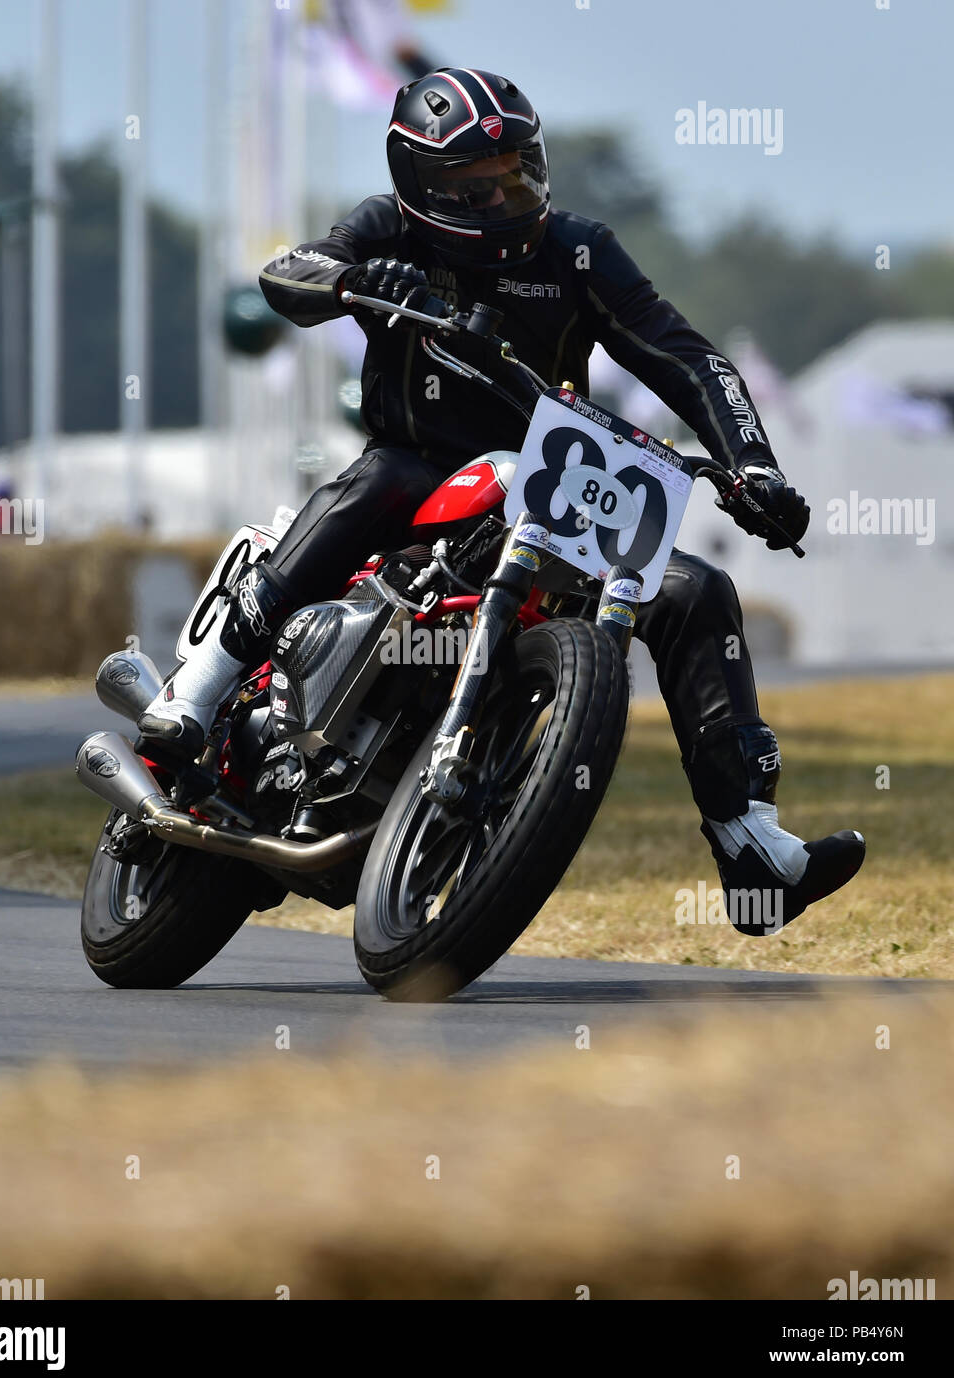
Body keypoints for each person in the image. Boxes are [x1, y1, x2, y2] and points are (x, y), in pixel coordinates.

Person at [137, 67, 865, 932]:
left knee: (696, 589)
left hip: (548, 492)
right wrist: (358, 283)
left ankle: (751, 846)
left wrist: (755, 465)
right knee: (379, 476)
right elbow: (289, 273)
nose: (504, 196)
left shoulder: (580, 251)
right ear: (418, 185)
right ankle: (200, 687)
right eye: (473, 186)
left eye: (517, 171)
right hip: (418, 471)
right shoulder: (387, 228)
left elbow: (688, 357)